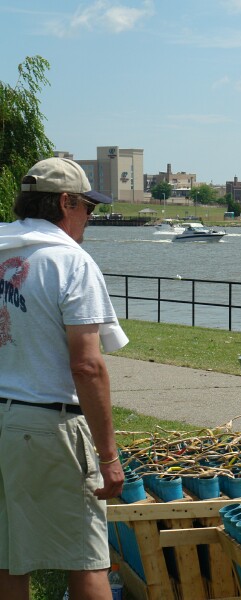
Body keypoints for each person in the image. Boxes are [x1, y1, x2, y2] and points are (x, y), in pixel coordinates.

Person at [0, 157, 129, 600]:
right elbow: (87, 365)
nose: (89, 219)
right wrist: (109, 455)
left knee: (7, 556)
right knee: (87, 556)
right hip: (46, 422)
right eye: (88, 209)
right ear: (65, 202)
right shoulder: (69, 261)